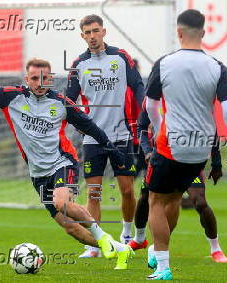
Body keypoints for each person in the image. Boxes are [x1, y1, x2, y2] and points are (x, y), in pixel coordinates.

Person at [0, 52, 134, 270]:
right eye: (35, 78)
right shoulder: (11, 97)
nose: (40, 83)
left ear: (50, 79)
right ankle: (119, 248)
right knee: (72, 229)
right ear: (26, 79)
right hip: (38, 173)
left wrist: (112, 151)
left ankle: (103, 237)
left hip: (62, 162)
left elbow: (90, 127)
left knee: (62, 203)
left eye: (44, 78)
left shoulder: (61, 103)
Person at [144, 9, 227, 280]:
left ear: (179, 32)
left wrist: (157, 130)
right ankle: (158, 252)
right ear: (204, 32)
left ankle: (163, 266)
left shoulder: (164, 63)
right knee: (174, 198)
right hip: (200, 149)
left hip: (171, 144)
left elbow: (150, 105)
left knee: (155, 200)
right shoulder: (216, 66)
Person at [66, 14, 144, 257]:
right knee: (94, 193)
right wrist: (77, 121)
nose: (92, 36)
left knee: (128, 190)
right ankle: (95, 245)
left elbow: (138, 86)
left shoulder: (120, 57)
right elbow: (68, 101)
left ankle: (127, 234)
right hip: (93, 139)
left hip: (121, 136)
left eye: (95, 31)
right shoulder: (78, 65)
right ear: (82, 36)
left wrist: (144, 118)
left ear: (104, 32)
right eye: (87, 32)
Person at [128, 109, 227, 264]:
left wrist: (216, 161)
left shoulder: (189, 97)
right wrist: (147, 151)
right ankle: (139, 238)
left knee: (200, 201)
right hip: (161, 159)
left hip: (189, 160)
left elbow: (211, 128)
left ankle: (215, 249)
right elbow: (141, 127)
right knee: (145, 197)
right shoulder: (152, 98)